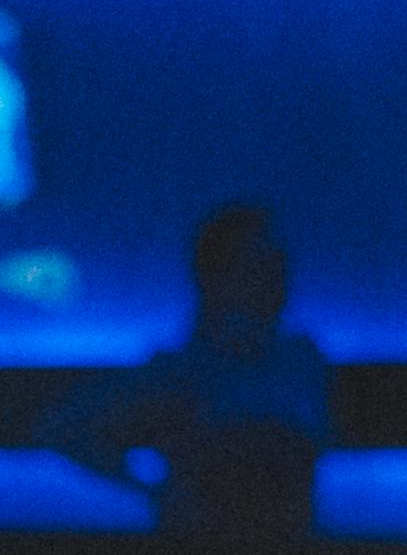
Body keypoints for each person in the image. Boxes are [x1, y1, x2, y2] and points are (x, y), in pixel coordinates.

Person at [121, 194, 340, 535]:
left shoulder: (302, 361)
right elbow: (68, 427)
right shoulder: (179, 370)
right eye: (261, 268)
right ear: (215, 278)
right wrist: (156, 493)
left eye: (280, 268)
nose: (279, 284)